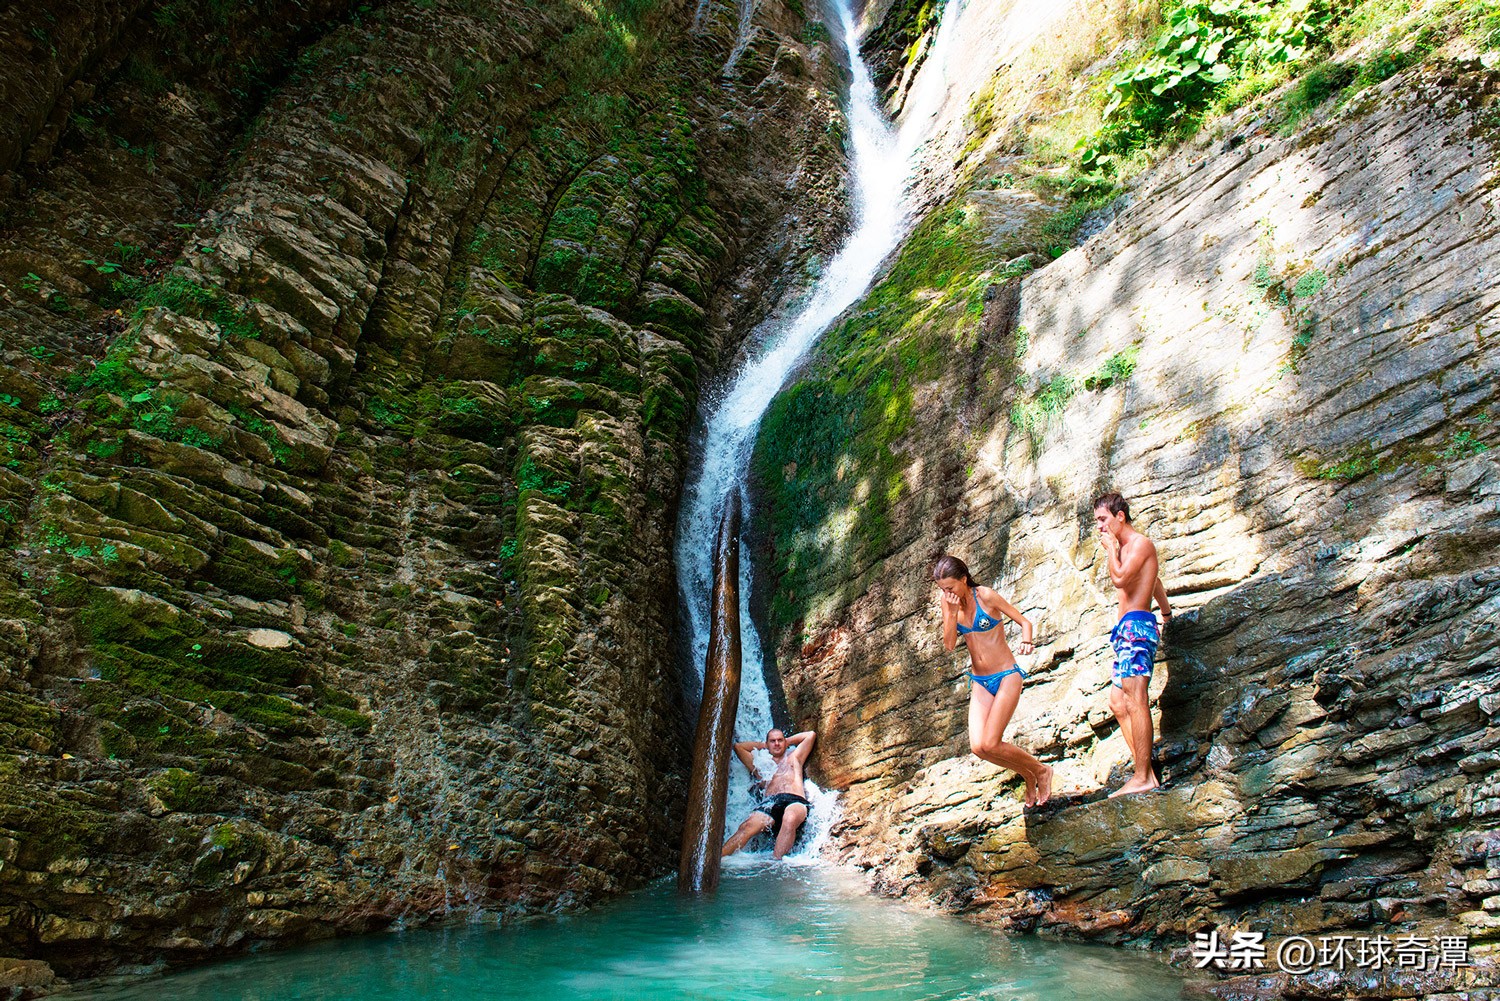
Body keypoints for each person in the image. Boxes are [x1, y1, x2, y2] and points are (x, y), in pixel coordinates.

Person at [932, 555, 1052, 807]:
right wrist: (952, 613)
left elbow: (1025, 622)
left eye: (951, 587)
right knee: (979, 747)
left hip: (1007, 675)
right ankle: (1028, 775)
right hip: (980, 680)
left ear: (964, 580)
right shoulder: (948, 602)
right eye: (943, 589)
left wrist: (1027, 641)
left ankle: (1041, 771)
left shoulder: (985, 596)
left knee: (991, 742)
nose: (947, 593)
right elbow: (950, 644)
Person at [1093, 490, 1172, 797]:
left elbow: (1121, 579)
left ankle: (1143, 776)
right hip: (1125, 631)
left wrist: (1112, 549)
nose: (1100, 527)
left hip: (1138, 626)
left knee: (1135, 695)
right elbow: (1155, 581)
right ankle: (1146, 771)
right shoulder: (1129, 548)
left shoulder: (1139, 544)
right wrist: (1166, 613)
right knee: (1117, 701)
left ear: (1119, 517)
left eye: (1103, 519)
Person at [721, 728, 815, 860]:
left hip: (795, 801)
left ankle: (776, 863)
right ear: (767, 744)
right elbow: (738, 747)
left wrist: (786, 742)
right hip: (770, 803)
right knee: (748, 826)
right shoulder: (761, 765)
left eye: (780, 740)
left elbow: (810, 735)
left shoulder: (795, 757)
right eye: (773, 741)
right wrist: (764, 746)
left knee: (790, 817)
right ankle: (718, 859)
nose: (777, 743)